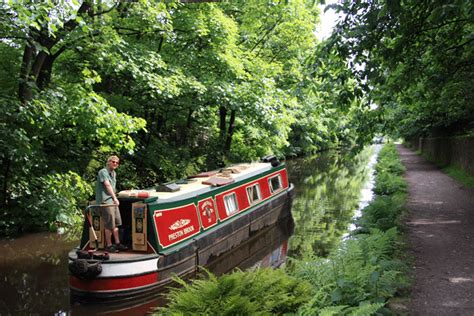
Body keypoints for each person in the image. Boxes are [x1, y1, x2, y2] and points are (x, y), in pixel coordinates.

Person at [95, 155, 128, 253]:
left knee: (116, 223)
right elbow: (107, 185)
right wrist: (114, 198)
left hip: (113, 200)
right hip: (105, 201)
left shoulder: (113, 173)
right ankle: (109, 245)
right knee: (109, 224)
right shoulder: (103, 172)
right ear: (108, 162)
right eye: (113, 162)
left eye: (117, 163)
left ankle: (117, 243)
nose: (115, 164)